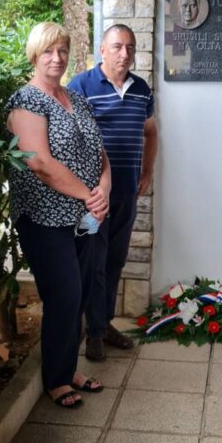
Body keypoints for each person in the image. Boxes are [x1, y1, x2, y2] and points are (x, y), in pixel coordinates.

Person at [6, 22, 111, 406]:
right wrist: (89, 196)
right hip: (44, 218)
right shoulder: (26, 101)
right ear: (35, 54)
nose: (57, 58)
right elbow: (39, 163)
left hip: (84, 217)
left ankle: (68, 369)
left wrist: (104, 189)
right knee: (64, 294)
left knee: (79, 293)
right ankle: (57, 380)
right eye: (49, 51)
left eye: (63, 50)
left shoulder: (77, 99)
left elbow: (100, 153)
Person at [69, 24, 158, 361]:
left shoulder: (141, 90)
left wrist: (147, 171)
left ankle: (103, 324)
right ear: (102, 50)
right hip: (92, 200)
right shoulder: (81, 86)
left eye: (130, 47)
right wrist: (84, 188)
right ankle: (92, 333)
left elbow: (151, 132)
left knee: (114, 260)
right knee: (92, 260)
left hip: (126, 195)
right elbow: (70, 139)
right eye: (118, 46)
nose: (125, 53)